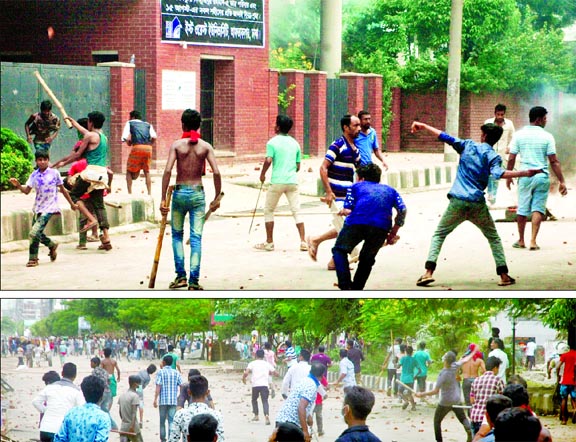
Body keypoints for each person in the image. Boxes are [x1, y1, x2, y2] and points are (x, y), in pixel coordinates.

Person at [411, 121, 544, 287]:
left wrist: (423, 126)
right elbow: (499, 174)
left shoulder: (467, 145)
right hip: (477, 204)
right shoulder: (493, 156)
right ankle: (504, 276)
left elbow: (443, 136)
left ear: (484, 136)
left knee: (439, 234)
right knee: (493, 238)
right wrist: (525, 172)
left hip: (457, 202)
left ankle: (427, 273)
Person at [161, 109, 222, 291]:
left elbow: (167, 171)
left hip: (179, 193)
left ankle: (181, 276)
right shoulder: (205, 146)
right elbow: (217, 172)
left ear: (183, 124)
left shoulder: (177, 145)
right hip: (197, 194)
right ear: (199, 125)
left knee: (177, 236)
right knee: (196, 238)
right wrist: (217, 197)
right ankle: (193, 281)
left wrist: (163, 198)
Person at [332, 163, 406, 290]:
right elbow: (403, 210)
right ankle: (356, 289)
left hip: (356, 222)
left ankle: (345, 286)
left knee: (339, 250)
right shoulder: (391, 191)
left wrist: (343, 210)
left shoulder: (355, 187)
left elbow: (348, 209)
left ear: (362, 178)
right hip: (381, 227)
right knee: (367, 258)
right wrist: (393, 232)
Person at [506, 106, 567, 250]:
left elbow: (511, 157)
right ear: (539, 119)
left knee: (522, 208)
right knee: (538, 208)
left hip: (525, 176)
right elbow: (553, 161)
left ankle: (521, 240)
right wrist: (562, 181)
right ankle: (533, 241)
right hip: (541, 176)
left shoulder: (519, 135)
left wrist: (508, 175)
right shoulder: (547, 136)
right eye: (545, 118)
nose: (546, 121)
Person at [306, 114, 361, 271]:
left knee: (346, 226)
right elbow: (323, 168)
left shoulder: (355, 150)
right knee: (346, 228)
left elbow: (359, 174)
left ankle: (318, 243)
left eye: (358, 126)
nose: (359, 129)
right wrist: (329, 192)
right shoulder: (337, 145)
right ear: (346, 127)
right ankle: (342, 257)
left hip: (348, 196)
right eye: (355, 126)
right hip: (336, 195)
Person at [52, 112, 113, 251]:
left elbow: (78, 154)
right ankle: (106, 237)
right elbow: (87, 133)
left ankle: (91, 219)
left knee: (73, 195)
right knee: (99, 205)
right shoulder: (103, 137)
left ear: (90, 122)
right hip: (102, 175)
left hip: (90, 173)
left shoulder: (88, 136)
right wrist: (75, 124)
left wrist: (63, 163)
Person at [9, 151, 77, 267]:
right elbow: (26, 191)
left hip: (50, 207)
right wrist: (18, 185)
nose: (42, 162)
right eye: (40, 160)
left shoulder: (54, 173)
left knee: (34, 233)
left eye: (45, 159)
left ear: (48, 160)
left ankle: (33, 259)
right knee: (36, 233)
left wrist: (71, 203)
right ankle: (51, 245)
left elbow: (63, 190)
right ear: (36, 161)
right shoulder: (34, 175)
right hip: (38, 207)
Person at [255, 114, 307, 252]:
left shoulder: (272, 143)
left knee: (269, 210)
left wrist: (262, 174)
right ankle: (303, 241)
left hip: (277, 181)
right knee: (296, 210)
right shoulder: (295, 143)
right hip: (292, 181)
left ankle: (269, 242)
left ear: (277, 127)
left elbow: (268, 160)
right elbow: (298, 166)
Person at [415, 351, 473, 442]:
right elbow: (465, 359)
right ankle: (469, 430)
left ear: (445, 361)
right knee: (463, 418)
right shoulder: (455, 366)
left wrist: (421, 394)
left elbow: (435, 391)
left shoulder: (443, 374)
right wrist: (474, 351)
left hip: (445, 402)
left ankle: (439, 440)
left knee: (437, 421)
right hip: (456, 399)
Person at [32, 364, 85, 442]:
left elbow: (35, 402)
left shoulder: (50, 387)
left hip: (46, 428)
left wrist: (45, 410)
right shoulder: (76, 392)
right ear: (75, 375)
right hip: (62, 430)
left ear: (62, 373)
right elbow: (82, 410)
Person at [275, 362, 325, 442]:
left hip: (282, 420)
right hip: (290, 424)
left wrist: (308, 416)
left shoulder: (305, 380)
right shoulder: (311, 386)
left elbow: (301, 402)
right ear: (322, 375)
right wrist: (305, 431)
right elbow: (301, 407)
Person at [53, 375, 111, 442]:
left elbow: (59, 438)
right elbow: (100, 440)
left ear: (83, 394)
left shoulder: (71, 413)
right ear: (102, 396)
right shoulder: (103, 417)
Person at [168, 375, 224, 442]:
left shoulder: (180, 415)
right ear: (208, 393)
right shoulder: (217, 415)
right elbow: (220, 439)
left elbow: (173, 440)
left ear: (189, 392)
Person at [484, 104, 515, 205]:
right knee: (489, 174)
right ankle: (490, 194)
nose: (500, 117)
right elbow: (483, 137)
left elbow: (512, 138)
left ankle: (492, 194)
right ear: (495, 113)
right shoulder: (488, 123)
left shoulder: (509, 124)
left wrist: (509, 147)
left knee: (495, 175)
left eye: (502, 115)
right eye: (498, 114)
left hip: (500, 154)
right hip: (489, 153)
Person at [122, 110, 157, 195]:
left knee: (129, 170)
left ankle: (130, 192)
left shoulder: (130, 123)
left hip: (137, 147)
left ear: (133, 117)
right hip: (148, 148)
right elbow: (154, 137)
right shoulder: (148, 124)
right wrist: (149, 145)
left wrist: (128, 142)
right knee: (146, 171)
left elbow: (124, 137)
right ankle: (149, 193)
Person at [469, 356, 505, 436]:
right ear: (495, 368)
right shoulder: (498, 380)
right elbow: (503, 400)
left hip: (474, 417)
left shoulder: (476, 380)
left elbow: (472, 400)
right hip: (487, 420)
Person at [242, 348, 278, 425]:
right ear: (263, 356)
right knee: (265, 401)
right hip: (264, 385)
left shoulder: (252, 363)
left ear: (256, 355)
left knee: (254, 400)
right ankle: (266, 415)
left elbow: (246, 372)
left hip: (255, 385)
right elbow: (275, 373)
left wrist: (243, 377)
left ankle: (256, 415)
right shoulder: (266, 364)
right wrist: (275, 375)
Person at [154, 355, 183, 442]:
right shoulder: (176, 373)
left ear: (164, 362)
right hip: (173, 401)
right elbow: (181, 385)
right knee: (171, 421)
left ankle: (163, 439)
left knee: (162, 421)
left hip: (163, 401)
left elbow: (158, 386)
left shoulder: (160, 372)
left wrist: (155, 399)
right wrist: (179, 396)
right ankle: (171, 439)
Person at [91, 356, 118, 430]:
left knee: (96, 409)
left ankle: (111, 426)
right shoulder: (104, 371)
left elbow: (94, 382)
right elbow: (109, 381)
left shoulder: (95, 372)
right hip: (108, 392)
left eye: (91, 362)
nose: (90, 364)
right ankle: (112, 426)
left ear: (95, 363)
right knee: (104, 409)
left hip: (101, 392)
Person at [461, 343, 486, 411]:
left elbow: (456, 368)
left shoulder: (463, 359)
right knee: (477, 400)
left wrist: (457, 376)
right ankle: (476, 414)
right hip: (476, 380)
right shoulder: (479, 360)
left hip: (466, 379)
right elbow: (484, 370)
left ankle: (470, 415)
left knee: (468, 401)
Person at [118, 375, 142, 442]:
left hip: (123, 427)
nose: (139, 386)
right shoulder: (135, 396)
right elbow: (134, 412)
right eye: (139, 384)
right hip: (133, 427)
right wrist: (132, 426)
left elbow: (120, 412)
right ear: (135, 384)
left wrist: (124, 421)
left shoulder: (122, 395)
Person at [556, 343, 576, 425]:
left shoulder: (564, 355)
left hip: (565, 381)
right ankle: (575, 410)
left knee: (564, 399)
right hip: (574, 381)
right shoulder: (575, 354)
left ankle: (564, 419)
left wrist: (558, 376)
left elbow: (557, 367)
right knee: (574, 399)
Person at [398, 345, 419, 411]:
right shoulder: (414, 360)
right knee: (409, 393)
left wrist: (394, 363)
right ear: (412, 352)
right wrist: (415, 376)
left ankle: (406, 401)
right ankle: (413, 406)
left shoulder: (403, 359)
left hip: (403, 378)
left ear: (405, 352)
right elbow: (419, 370)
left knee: (400, 392)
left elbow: (397, 367)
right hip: (410, 378)